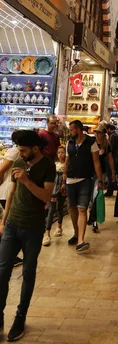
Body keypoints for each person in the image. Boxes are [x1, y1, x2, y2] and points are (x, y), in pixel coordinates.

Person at [0, 130, 55, 342]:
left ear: (35, 148)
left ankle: (20, 316)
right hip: (13, 225)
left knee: (28, 272)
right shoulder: (20, 162)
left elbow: (46, 196)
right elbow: (12, 192)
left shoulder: (48, 166)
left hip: (33, 227)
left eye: (23, 150)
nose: (20, 154)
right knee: (2, 271)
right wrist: (4, 222)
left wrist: (26, 181)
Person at [62, 120, 103, 253]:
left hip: (86, 179)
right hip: (70, 180)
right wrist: (63, 177)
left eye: (72, 129)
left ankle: (81, 240)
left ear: (79, 129)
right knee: (72, 209)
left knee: (82, 209)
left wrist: (100, 180)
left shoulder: (91, 143)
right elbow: (67, 162)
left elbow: (96, 162)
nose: (70, 132)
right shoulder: (70, 143)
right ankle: (75, 233)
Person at [90, 127, 115, 233]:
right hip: (90, 172)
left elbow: (110, 159)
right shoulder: (92, 143)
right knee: (92, 196)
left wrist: (113, 172)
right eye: (97, 133)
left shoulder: (107, 145)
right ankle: (92, 216)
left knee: (97, 195)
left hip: (102, 173)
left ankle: (94, 220)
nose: (98, 135)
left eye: (99, 133)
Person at [43, 146, 67, 246]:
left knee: (60, 207)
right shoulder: (55, 164)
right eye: (58, 152)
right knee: (51, 209)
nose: (60, 154)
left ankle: (59, 226)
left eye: (62, 152)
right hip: (54, 189)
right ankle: (47, 232)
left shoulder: (67, 165)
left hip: (62, 190)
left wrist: (64, 184)